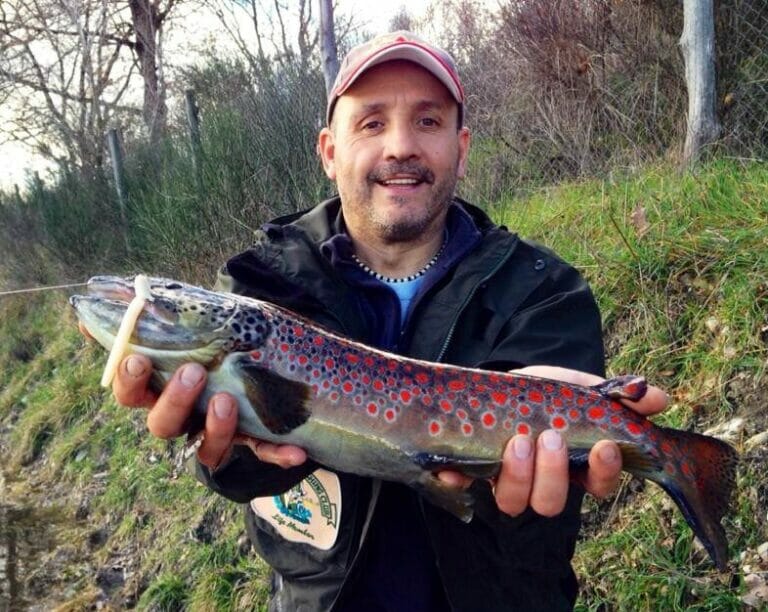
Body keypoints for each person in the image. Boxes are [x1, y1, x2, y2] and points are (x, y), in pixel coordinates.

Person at [104, 31, 668, 611]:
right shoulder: (260, 288)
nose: (401, 145)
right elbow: (243, 475)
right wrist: (225, 451)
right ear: (329, 151)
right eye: (371, 123)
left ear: (462, 146)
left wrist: (551, 422)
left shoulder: (545, 290)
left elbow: (547, 485)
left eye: (428, 121)